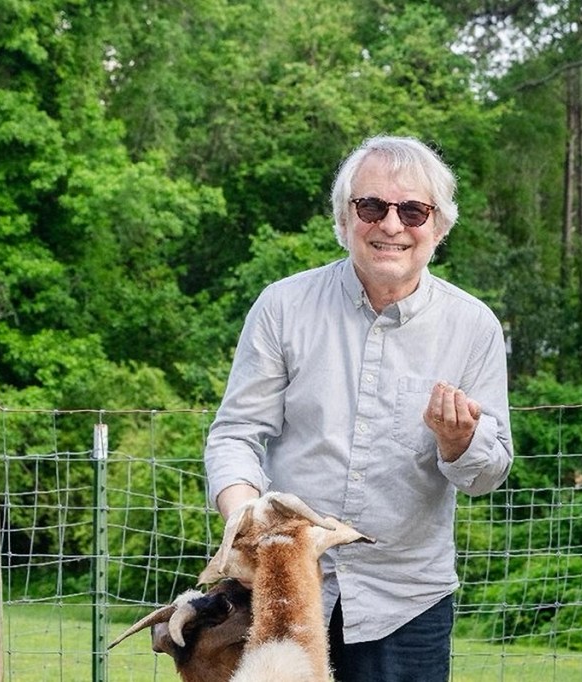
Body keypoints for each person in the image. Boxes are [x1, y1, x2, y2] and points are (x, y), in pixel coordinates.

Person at [204, 135, 514, 681]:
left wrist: (458, 442)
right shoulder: (283, 306)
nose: (391, 225)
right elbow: (235, 434)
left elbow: (488, 475)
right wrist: (248, 523)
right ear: (344, 219)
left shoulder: (474, 327)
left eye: (413, 211)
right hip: (279, 590)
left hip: (407, 603)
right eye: (371, 206)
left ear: (439, 226)